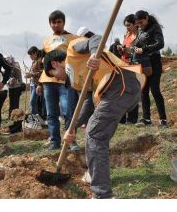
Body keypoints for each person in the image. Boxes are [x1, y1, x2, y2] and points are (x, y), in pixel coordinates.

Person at [44, 33, 145, 198]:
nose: (58, 79)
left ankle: (102, 195)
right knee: (94, 131)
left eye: (54, 74)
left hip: (120, 83)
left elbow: (96, 39)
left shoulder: (73, 51)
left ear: (55, 64)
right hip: (118, 93)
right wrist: (73, 127)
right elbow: (87, 104)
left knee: (94, 134)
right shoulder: (77, 79)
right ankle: (95, 174)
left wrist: (93, 55)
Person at [38, 10, 78, 151]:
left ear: (63, 22)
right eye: (53, 22)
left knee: (68, 111)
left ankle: (71, 141)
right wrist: (39, 83)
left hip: (65, 80)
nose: (56, 24)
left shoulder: (73, 37)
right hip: (48, 80)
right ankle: (55, 141)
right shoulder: (46, 41)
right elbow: (42, 61)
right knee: (51, 113)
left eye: (58, 21)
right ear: (50, 24)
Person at [133, 10, 167, 127]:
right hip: (143, 62)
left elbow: (161, 43)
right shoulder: (140, 29)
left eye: (141, 22)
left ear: (147, 18)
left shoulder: (155, 27)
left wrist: (144, 49)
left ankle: (163, 120)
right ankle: (146, 119)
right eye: (137, 23)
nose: (140, 25)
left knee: (155, 90)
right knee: (144, 91)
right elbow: (137, 45)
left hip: (154, 61)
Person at [117, 14, 140, 124]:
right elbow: (126, 49)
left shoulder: (140, 35)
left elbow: (138, 50)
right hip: (124, 64)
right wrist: (122, 49)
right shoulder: (127, 35)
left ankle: (132, 119)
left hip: (134, 65)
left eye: (128, 25)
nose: (127, 27)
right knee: (123, 91)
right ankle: (122, 118)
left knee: (133, 91)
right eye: (125, 26)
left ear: (135, 24)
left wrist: (128, 50)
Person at [26, 46, 46, 120]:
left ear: (35, 53)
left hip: (38, 84)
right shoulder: (35, 60)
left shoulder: (40, 60)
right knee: (34, 102)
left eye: (31, 55)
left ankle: (35, 118)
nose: (30, 57)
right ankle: (36, 117)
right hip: (33, 83)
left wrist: (32, 74)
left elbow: (43, 72)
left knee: (33, 102)